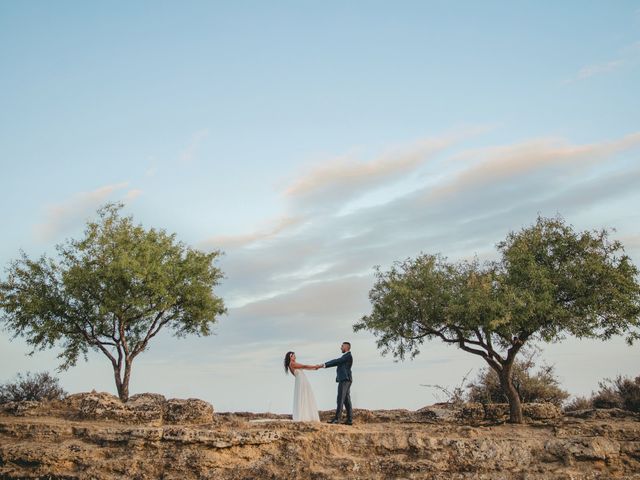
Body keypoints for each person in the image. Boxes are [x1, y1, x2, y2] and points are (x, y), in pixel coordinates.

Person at [318, 342, 353, 425]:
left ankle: (337, 419)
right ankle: (349, 420)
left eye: (342, 346)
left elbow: (336, 361)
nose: (341, 347)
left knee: (340, 399)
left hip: (345, 380)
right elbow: (338, 362)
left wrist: (324, 365)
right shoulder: (346, 356)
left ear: (346, 347)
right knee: (346, 400)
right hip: (346, 380)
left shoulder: (347, 356)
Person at [284, 351, 320, 422]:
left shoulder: (290, 365)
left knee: (303, 396)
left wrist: (314, 368)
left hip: (300, 381)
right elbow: (304, 366)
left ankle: (304, 415)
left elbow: (304, 367)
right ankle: (305, 416)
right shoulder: (292, 363)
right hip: (301, 381)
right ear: (290, 357)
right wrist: (315, 366)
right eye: (293, 356)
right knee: (304, 396)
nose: (295, 357)